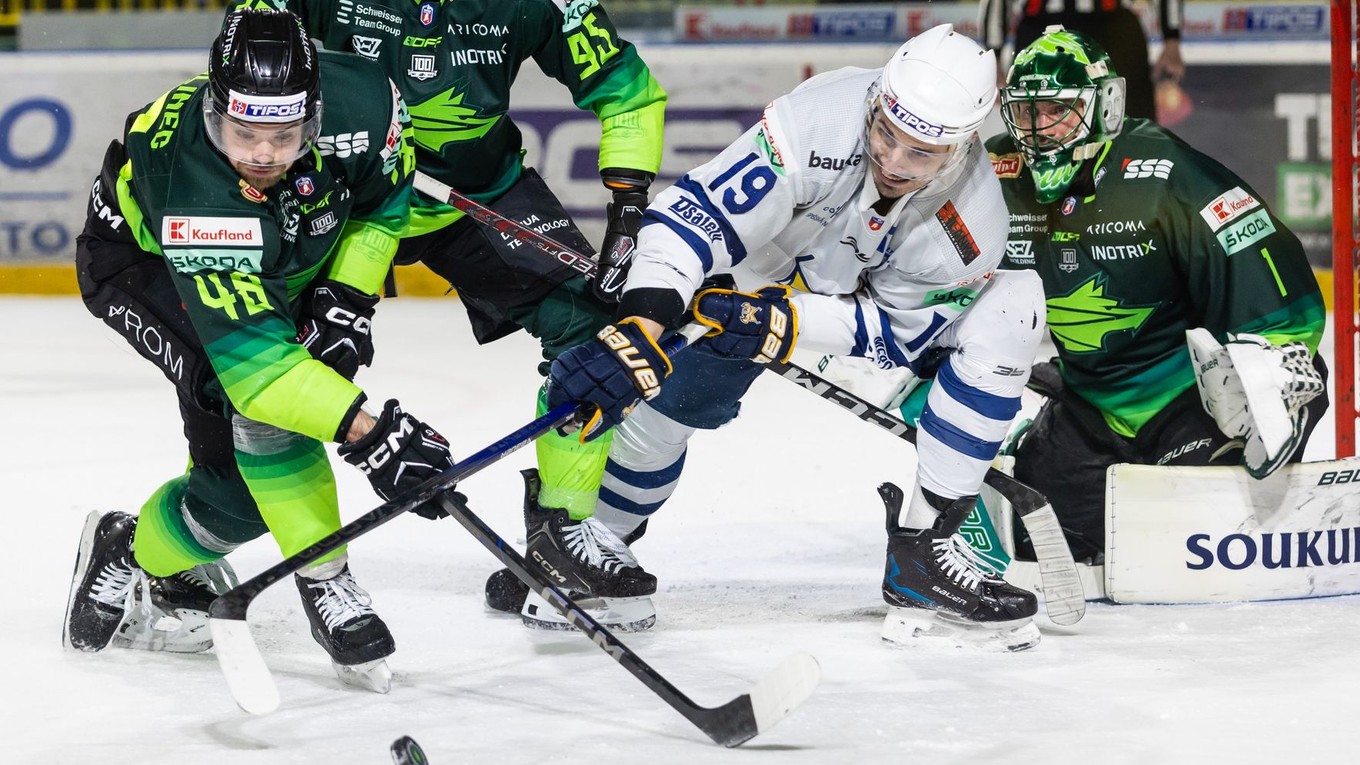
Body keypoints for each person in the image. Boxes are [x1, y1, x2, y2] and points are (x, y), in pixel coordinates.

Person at [534, 24, 1050, 650]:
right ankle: (589, 540)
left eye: (920, 153)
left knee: (1013, 306)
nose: (891, 161)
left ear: (962, 146)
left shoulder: (973, 220)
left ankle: (924, 551)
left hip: (852, 311)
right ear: (878, 101)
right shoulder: (818, 120)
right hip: (745, 278)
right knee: (673, 403)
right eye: (885, 133)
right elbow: (691, 217)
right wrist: (645, 324)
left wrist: (783, 324)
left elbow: (897, 334)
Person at [228, 0, 668, 630]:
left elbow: (628, 90)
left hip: (477, 194)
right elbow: (251, 52)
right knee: (277, 369)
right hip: (338, 196)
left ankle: (561, 534)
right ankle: (302, 564)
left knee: (593, 334)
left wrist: (628, 207)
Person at [64, 9, 457, 693]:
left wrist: (348, 295)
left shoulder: (369, 98)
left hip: (278, 264)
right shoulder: (194, 182)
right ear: (216, 109)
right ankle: (300, 575)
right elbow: (262, 372)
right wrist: (372, 432)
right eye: (242, 134)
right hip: (148, 267)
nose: (262, 154)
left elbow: (383, 202)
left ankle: (151, 544)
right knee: (251, 448)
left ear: (316, 109)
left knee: (236, 500)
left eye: (283, 135)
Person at [985, 27, 1328, 565]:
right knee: (1039, 544)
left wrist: (1268, 374)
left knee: (1184, 541)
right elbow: (943, 279)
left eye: (1057, 110)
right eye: (1025, 112)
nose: (1040, 130)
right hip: (1090, 404)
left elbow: (1273, 287)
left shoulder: (1161, 172)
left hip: (1188, 402)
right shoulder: (996, 172)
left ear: (1105, 107)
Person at [980, 0, 1184, 122]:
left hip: (1115, 29)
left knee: (1130, 122)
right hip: (1043, 29)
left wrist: (1172, 39)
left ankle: (1136, 190)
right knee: (1039, 122)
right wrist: (993, 56)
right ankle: (1045, 189)